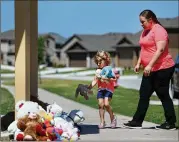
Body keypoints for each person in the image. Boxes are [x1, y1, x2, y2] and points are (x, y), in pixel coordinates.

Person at [123, 9, 176, 130]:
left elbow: (160, 50)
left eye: (142, 22)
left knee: (163, 95)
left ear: (150, 20)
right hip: (150, 69)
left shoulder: (159, 30)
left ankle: (171, 123)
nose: (141, 24)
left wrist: (150, 65)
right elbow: (143, 49)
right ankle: (137, 121)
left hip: (163, 68)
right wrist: (138, 63)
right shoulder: (145, 31)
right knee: (144, 94)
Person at [88, 50, 117, 129]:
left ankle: (113, 118)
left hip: (108, 90)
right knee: (101, 105)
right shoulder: (97, 71)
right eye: (97, 62)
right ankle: (102, 122)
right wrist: (89, 87)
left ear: (106, 60)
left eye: (100, 61)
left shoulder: (109, 69)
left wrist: (106, 78)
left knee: (106, 104)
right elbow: (95, 80)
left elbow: (114, 79)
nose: (98, 64)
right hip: (101, 90)